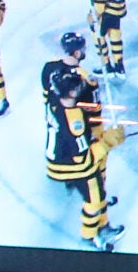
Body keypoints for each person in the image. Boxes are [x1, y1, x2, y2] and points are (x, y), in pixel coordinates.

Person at [42, 32, 120, 250]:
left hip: (57, 150)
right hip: (75, 158)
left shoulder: (49, 72)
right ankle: (91, 234)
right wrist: (106, 142)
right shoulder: (85, 83)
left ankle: (94, 200)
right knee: (95, 190)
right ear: (78, 51)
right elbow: (85, 152)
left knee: (93, 188)